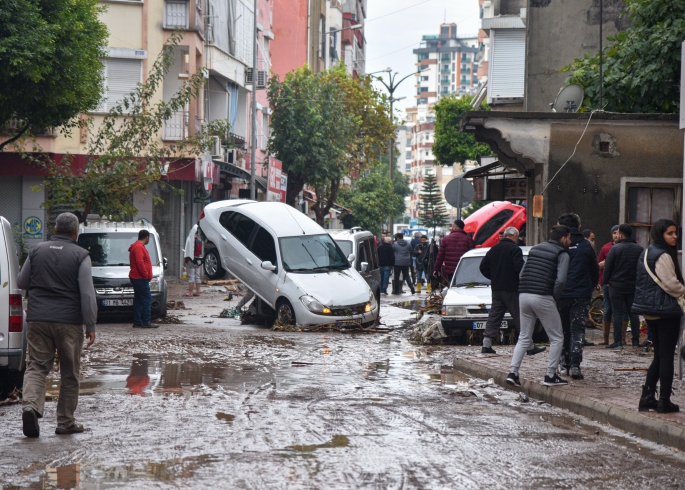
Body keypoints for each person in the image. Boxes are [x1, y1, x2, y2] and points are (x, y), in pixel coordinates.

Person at [17, 212, 97, 437]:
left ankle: (31, 407)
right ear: (76, 232)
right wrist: (90, 324)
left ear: (54, 229)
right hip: (69, 323)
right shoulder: (81, 255)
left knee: (36, 367)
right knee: (69, 373)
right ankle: (65, 422)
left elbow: (21, 281)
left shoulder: (36, 251)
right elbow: (87, 294)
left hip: (38, 319)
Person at [506, 225, 571, 388]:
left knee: (524, 336)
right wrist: (554, 297)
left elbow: (522, 273)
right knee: (557, 337)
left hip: (524, 294)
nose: (570, 241)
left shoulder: (535, 249)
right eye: (569, 238)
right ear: (563, 239)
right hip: (542, 295)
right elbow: (561, 279)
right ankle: (550, 375)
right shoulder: (562, 253)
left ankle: (513, 373)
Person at [632, 219, 684, 413]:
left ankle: (647, 397)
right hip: (665, 311)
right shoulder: (662, 255)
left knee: (659, 356)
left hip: (651, 310)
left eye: (675, 233)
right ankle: (664, 400)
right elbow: (670, 284)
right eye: (670, 233)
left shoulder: (647, 252)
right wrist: (683, 291)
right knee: (667, 357)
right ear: (660, 234)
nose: (674, 237)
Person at [479, 227, 546, 357]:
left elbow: (483, 267)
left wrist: (494, 277)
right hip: (512, 289)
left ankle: (486, 345)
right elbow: (520, 269)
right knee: (520, 316)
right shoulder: (515, 249)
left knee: (494, 316)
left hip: (497, 289)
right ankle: (530, 346)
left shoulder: (494, 249)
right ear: (514, 236)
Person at [556, 213, 599, 379]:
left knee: (562, 330)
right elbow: (594, 269)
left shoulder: (557, 245)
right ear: (579, 227)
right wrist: (591, 286)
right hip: (580, 294)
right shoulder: (585, 246)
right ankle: (575, 365)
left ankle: (563, 364)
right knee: (578, 330)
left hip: (561, 295)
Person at [603, 224, 643, 348]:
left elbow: (608, 267)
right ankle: (635, 341)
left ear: (621, 235)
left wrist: (606, 281)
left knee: (617, 313)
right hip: (633, 285)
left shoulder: (615, 249)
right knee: (633, 313)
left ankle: (618, 341)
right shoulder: (639, 249)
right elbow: (642, 268)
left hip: (616, 285)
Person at [597, 225, 624, 345]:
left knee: (623, 311)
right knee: (608, 309)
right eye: (614, 233)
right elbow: (598, 265)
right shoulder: (606, 248)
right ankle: (605, 339)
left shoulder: (626, 247)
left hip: (621, 283)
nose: (616, 235)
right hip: (607, 283)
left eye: (618, 233)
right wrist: (601, 281)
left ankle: (622, 338)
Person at [129, 229, 158, 328]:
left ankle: (137, 321)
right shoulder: (138, 247)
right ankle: (146, 321)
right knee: (147, 298)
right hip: (139, 277)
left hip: (138, 277)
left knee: (138, 299)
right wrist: (145, 274)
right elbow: (140, 262)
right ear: (146, 237)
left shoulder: (139, 247)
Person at [433, 220, 474, 286]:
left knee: (452, 287)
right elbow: (472, 256)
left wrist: (436, 269)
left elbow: (440, 256)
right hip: (464, 270)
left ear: (454, 226)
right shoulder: (468, 239)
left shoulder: (446, 239)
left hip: (451, 270)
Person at [184, 224, 202, 297]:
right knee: (197, 276)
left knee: (191, 276)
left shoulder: (190, 240)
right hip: (198, 260)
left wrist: (186, 260)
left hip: (191, 260)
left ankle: (190, 292)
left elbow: (188, 251)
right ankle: (198, 292)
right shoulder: (199, 241)